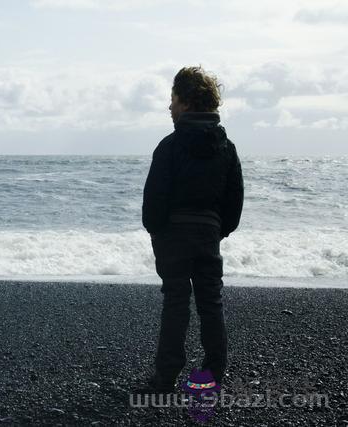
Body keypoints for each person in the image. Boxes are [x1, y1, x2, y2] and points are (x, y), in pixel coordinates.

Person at [139, 66, 244, 393]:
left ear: (185, 102)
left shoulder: (169, 147)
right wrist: (217, 230)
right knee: (211, 302)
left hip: (173, 234)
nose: (169, 107)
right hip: (208, 233)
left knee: (176, 303)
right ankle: (214, 373)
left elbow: (154, 199)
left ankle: (166, 378)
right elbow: (234, 201)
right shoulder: (226, 148)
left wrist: (156, 232)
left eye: (172, 99)